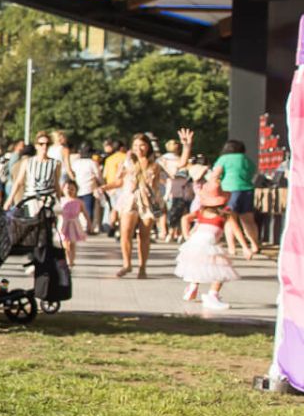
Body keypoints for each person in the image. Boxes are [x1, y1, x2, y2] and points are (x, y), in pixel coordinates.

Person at [107, 132, 167, 278]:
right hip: (129, 200)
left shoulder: (156, 164)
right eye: (135, 145)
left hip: (147, 202)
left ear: (148, 146)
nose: (139, 148)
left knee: (144, 235)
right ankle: (127, 264)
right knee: (125, 233)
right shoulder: (127, 162)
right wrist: (104, 187)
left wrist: (186, 146)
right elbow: (119, 182)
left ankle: (142, 268)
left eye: (142, 145)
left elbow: (177, 168)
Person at [176, 182, 238, 311]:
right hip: (209, 242)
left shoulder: (201, 211)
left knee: (200, 265)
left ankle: (193, 286)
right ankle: (212, 295)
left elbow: (184, 218)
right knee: (221, 269)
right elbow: (234, 229)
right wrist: (244, 246)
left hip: (194, 241)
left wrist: (186, 235)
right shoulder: (225, 213)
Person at [213, 138, 259, 260]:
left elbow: (216, 174)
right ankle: (254, 245)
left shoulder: (224, 159)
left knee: (230, 219)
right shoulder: (247, 159)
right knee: (248, 219)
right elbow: (253, 172)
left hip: (229, 190)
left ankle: (232, 247)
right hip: (247, 189)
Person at [57, 179, 87, 267]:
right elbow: (56, 212)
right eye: (67, 188)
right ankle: (68, 259)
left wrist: (89, 223)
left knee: (72, 243)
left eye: (72, 189)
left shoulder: (79, 202)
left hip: (74, 225)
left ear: (76, 190)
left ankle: (72, 259)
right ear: (63, 189)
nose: (69, 191)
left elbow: (85, 213)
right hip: (63, 224)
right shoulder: (61, 201)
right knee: (65, 243)